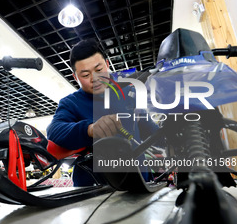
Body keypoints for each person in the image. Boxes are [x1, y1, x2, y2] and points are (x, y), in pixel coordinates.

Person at [47, 39, 158, 186]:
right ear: (75, 77)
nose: (95, 79)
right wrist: (90, 129)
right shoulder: (70, 103)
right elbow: (54, 131)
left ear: (107, 64)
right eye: (85, 75)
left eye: (99, 70)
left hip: (140, 182)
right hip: (93, 191)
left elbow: (150, 129)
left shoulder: (128, 92)